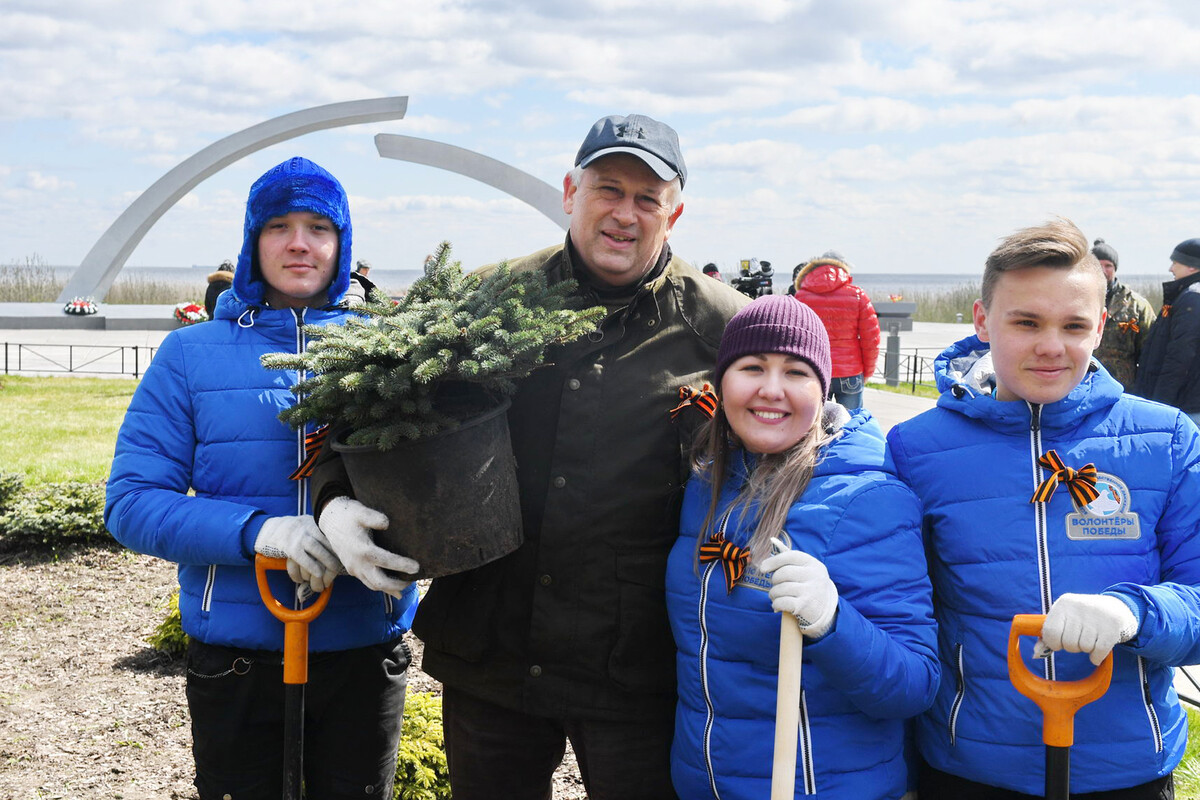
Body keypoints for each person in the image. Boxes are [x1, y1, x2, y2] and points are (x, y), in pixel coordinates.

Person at [313, 113, 749, 799]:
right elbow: (368, 395)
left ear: (676, 213)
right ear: (571, 190)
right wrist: (334, 498)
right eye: (609, 189)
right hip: (495, 647)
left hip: (636, 662)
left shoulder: (720, 326)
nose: (624, 214)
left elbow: (802, 425)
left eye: (647, 199)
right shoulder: (486, 296)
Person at [105, 156, 420, 800]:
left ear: (343, 242)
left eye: (318, 227)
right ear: (253, 242)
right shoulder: (191, 355)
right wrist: (262, 532)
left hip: (362, 650)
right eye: (278, 226)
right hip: (237, 658)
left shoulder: (391, 348)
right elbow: (132, 504)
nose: (299, 243)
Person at [887, 218, 1200, 798]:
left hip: (1124, 769)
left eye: (1074, 325)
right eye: (1026, 321)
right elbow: (901, 617)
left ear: (1102, 326)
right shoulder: (915, 449)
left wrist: (1134, 614)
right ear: (982, 320)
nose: (1051, 346)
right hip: (969, 767)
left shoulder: (1167, 439)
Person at [666, 295, 938, 799]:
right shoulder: (707, 483)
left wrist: (832, 622)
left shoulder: (867, 498)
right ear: (722, 382)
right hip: (707, 783)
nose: (771, 389)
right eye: (751, 367)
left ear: (823, 389)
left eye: (796, 372)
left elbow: (915, 682)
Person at [793, 250, 880, 409]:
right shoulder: (858, 295)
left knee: (814, 426)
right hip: (850, 372)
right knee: (851, 426)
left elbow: (796, 340)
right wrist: (866, 372)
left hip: (816, 370)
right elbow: (871, 341)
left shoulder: (801, 297)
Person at [1134, 238, 1200, 424]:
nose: (1171, 268)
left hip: (1185, 409)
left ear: (1192, 267)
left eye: (1175, 262)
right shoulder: (1186, 296)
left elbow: (1180, 358)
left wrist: (1160, 406)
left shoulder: (1192, 298)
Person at [1091, 238, 1155, 393]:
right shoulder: (1074, 300)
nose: (1103, 270)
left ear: (1115, 269)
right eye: (1098, 265)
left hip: (1124, 388)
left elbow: (1150, 351)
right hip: (1082, 383)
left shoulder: (1137, 305)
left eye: (1108, 266)